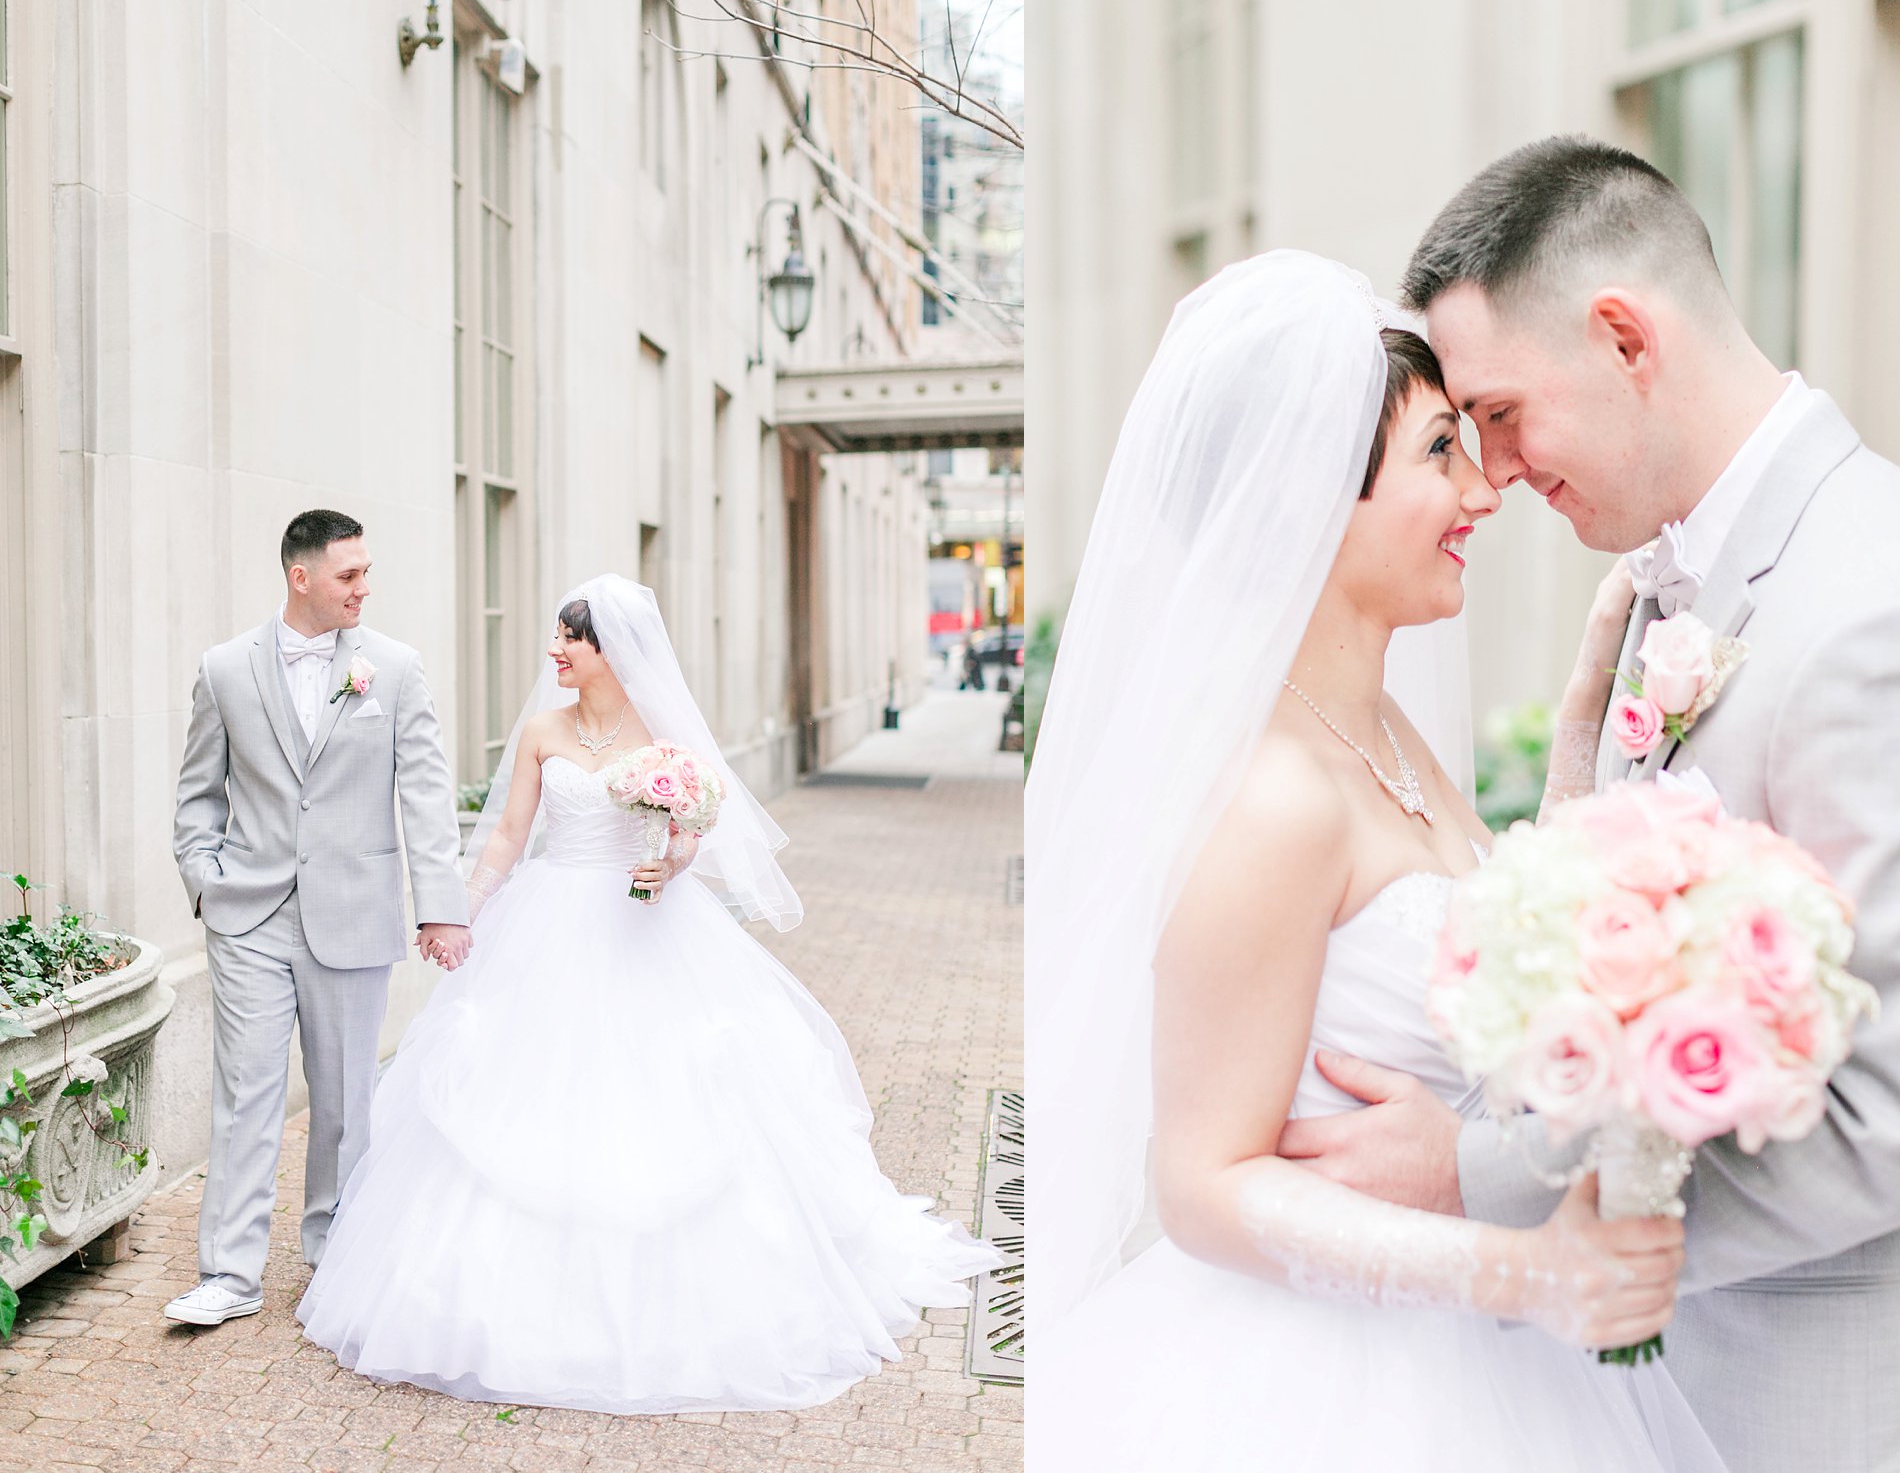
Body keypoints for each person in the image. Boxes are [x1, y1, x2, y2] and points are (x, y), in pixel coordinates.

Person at [1286, 137, 1900, 1472]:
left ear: (1626, 338)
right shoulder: (1681, 584)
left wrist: (1474, 1177)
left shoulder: (1892, 615)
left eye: (1504, 412)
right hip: (1677, 1393)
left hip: (1845, 1419)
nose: (1498, 469)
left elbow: (1891, 1125)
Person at [1025, 252, 1724, 1470]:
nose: (1483, 491)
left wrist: (1580, 734)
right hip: (1324, 1385)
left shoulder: (1378, 725)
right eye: (1440, 453)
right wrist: (1514, 1262)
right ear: (1310, 496)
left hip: (1485, 1355)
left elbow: (1485, 923)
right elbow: (1198, 1180)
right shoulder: (1275, 797)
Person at [296, 574, 996, 1414]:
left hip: (648, 926)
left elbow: (695, 824)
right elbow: (511, 833)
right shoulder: (544, 731)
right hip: (549, 922)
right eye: (556, 636)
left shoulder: (661, 734)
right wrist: (457, 911)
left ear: (610, 651)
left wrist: (673, 860)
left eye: (569, 638)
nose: (553, 650)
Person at [168, 510, 471, 1327]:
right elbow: (198, 791)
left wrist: (442, 908)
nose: (363, 588)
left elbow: (426, 797)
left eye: (366, 572)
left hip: (355, 910)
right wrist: (207, 881)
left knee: (344, 1101)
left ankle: (335, 1259)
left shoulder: (396, 669)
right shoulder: (226, 668)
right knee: (247, 1094)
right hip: (249, 916)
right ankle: (228, 1275)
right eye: (348, 575)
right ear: (300, 576)